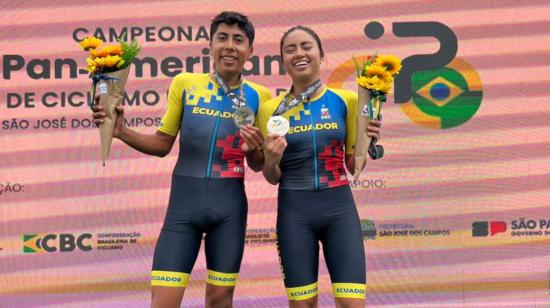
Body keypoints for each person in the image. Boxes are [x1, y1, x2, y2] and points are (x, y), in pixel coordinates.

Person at [92, 12, 270, 308]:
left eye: (239, 40)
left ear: (250, 51)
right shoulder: (185, 82)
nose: (230, 46)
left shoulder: (260, 96)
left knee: (220, 301)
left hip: (230, 210)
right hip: (182, 209)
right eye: (222, 38)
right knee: (163, 302)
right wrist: (121, 131)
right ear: (210, 46)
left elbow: (258, 163)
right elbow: (162, 144)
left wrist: (254, 150)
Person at [258, 26, 381, 308]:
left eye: (306, 46)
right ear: (283, 61)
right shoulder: (271, 109)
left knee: (352, 304)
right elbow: (271, 176)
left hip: (340, 211)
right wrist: (271, 160)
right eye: (290, 50)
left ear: (321, 55)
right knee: (302, 306)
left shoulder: (346, 101)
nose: (299, 53)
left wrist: (368, 141)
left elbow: (353, 166)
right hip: (294, 215)